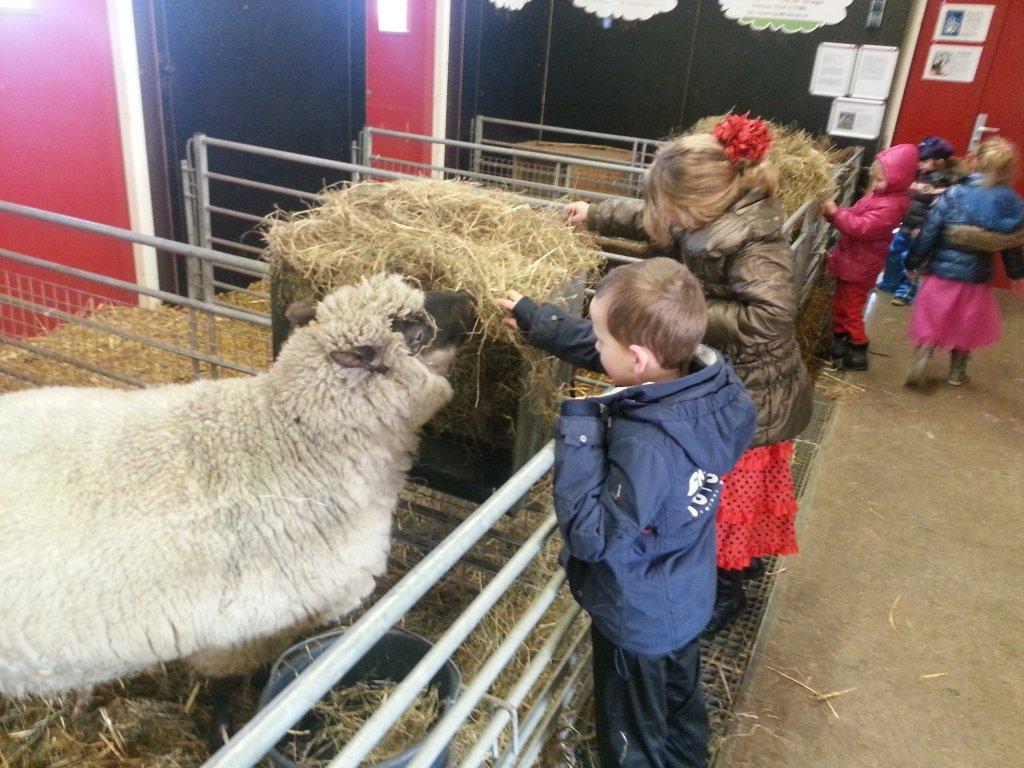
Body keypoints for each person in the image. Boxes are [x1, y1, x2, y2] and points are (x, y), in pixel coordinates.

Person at [544, 114, 812, 635]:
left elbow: (772, 317)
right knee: (729, 507)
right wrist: (593, 213)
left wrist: (683, 312)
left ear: (697, 206)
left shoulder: (756, 240)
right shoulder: (700, 218)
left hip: (750, 399)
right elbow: (647, 215)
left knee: (720, 506)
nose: (662, 216)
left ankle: (725, 594)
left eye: (670, 208)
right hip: (719, 380)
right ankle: (739, 566)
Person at [496, 257, 757, 768]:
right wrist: (541, 321)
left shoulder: (647, 447)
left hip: (636, 617)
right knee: (679, 707)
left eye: (598, 341)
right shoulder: (707, 383)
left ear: (637, 359)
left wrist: (581, 430)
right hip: (684, 596)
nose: (595, 347)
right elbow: (624, 353)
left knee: (631, 737)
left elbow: (591, 535)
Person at [904, 137, 1024, 387]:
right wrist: (1016, 274)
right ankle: (957, 372)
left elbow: (930, 230)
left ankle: (924, 353)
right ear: (1008, 170)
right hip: (976, 276)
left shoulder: (954, 193)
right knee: (965, 323)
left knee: (933, 316)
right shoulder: (1012, 202)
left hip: (941, 272)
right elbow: (1012, 242)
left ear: (975, 161)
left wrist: (913, 263)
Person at [822, 143, 919, 370]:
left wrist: (836, 214)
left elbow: (863, 228)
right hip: (851, 260)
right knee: (840, 304)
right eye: (874, 179)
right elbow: (855, 216)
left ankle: (857, 350)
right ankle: (838, 343)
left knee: (852, 309)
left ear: (899, 179)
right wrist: (835, 215)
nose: (874, 185)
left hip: (861, 265)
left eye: (880, 180)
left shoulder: (892, 206)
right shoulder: (877, 197)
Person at [877, 136, 958, 305]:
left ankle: (906, 291)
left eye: (925, 160)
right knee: (894, 252)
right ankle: (889, 282)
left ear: (939, 162)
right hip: (906, 224)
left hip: (921, 230)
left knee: (913, 259)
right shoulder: (920, 175)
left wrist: (924, 226)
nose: (919, 163)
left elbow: (938, 209)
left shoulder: (945, 183)